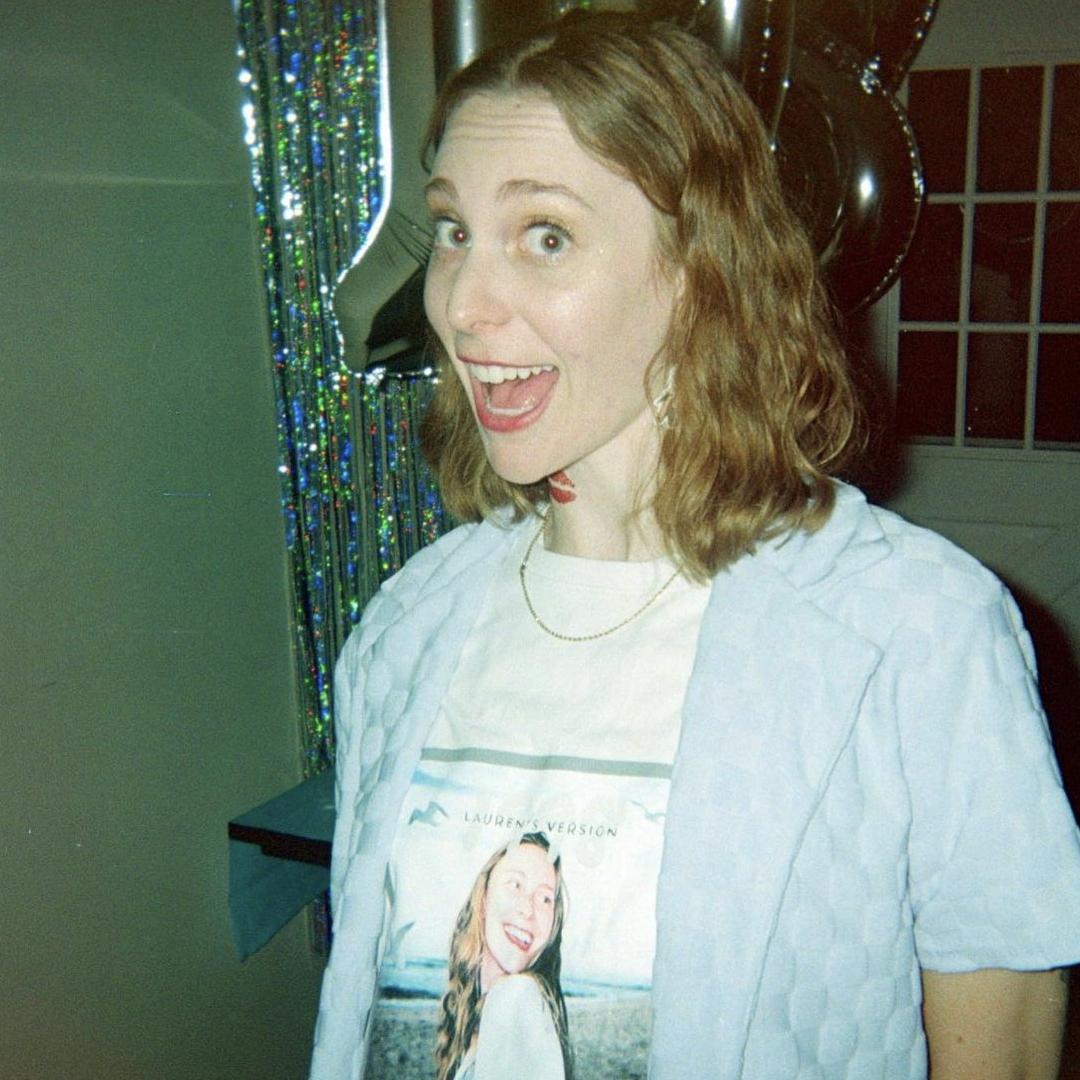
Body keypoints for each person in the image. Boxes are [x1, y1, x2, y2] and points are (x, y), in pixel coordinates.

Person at [311, 11, 1080, 1079]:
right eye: (453, 231)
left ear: (697, 270)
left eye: (545, 235)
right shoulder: (408, 624)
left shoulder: (917, 635)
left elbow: (1003, 1050)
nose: (462, 306)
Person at [436, 833, 570, 1080]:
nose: (527, 909)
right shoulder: (493, 1008)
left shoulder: (516, 995)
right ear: (484, 899)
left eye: (545, 898)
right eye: (515, 885)